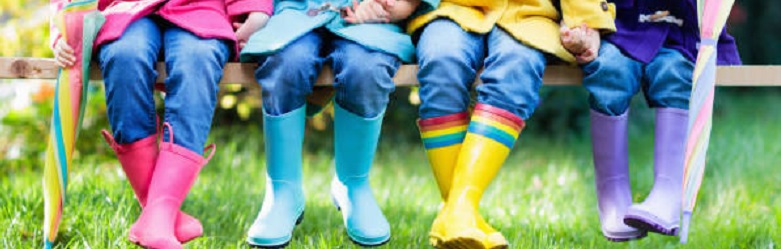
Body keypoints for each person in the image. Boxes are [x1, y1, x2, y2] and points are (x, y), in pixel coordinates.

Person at [51, 0, 273, 248]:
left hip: (200, 9)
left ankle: (158, 216)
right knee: (124, 57)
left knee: (198, 58)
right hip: (126, 10)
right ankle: (162, 215)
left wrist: (257, 10)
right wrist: (64, 26)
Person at [409, 1, 617, 248]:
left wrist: (588, 22)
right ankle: (460, 213)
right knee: (441, 61)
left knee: (517, 68)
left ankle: (459, 209)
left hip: (530, 15)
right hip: (452, 9)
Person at [238, 0, 436, 247]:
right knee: (285, 64)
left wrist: (396, 4)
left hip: (370, 23)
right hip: (296, 15)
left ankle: (353, 184)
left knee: (366, 69)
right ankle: (283, 190)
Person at [563, 0, 741, 242]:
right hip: (622, 27)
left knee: (676, 72)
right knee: (610, 70)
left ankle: (668, 191)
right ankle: (612, 194)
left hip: (683, 31)